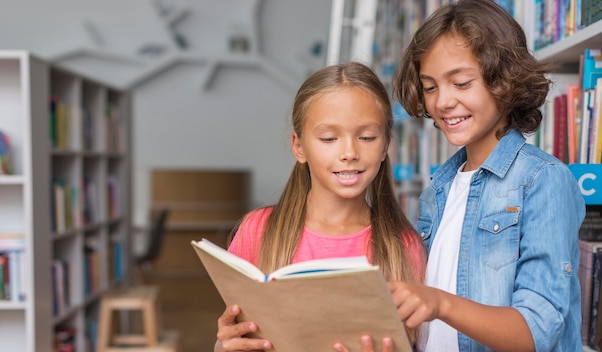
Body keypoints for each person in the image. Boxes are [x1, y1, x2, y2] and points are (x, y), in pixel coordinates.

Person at [388, 0, 586, 351]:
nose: (442, 101)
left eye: (461, 83)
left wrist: (439, 303)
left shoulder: (543, 180)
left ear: (504, 80)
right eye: (430, 87)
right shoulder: (438, 189)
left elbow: (538, 329)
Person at [213, 61, 426, 352]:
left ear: (386, 144)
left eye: (366, 137)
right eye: (329, 138)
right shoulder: (257, 230)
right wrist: (223, 346)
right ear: (299, 147)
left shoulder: (404, 247)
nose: (349, 153)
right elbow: (234, 334)